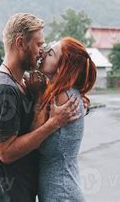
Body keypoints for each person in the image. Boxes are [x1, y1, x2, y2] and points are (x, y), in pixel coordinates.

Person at [0, 13, 82, 202]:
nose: (42, 51)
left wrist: (38, 96)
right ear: (20, 43)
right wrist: (54, 123)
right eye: (39, 44)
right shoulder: (4, 89)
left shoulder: (20, 83)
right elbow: (6, 153)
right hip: (7, 196)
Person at [32, 36, 97, 201]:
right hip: (62, 188)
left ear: (61, 68)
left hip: (61, 192)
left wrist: (39, 94)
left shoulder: (63, 96)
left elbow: (34, 137)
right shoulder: (67, 93)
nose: (44, 54)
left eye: (51, 54)